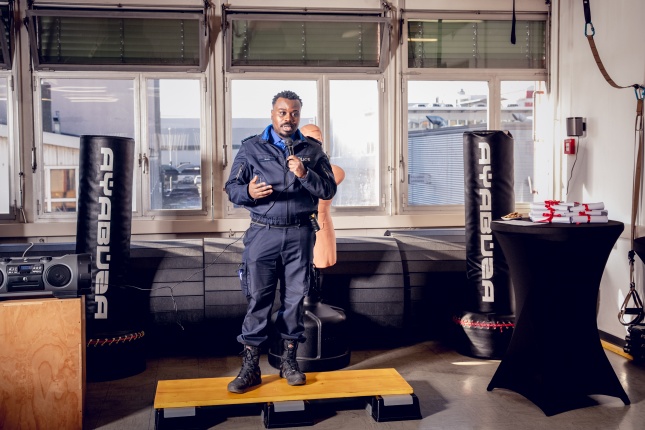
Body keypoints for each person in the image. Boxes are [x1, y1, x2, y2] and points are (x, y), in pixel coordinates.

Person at [224, 91, 337, 393]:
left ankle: (289, 361)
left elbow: (327, 189)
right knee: (258, 299)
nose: (289, 118)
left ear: (300, 115)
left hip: (300, 234)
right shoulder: (251, 148)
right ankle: (250, 368)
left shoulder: (312, 150)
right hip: (263, 233)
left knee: (293, 300)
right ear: (273, 114)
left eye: (295, 113)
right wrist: (248, 192)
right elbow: (231, 188)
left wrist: (304, 172)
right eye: (283, 112)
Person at [300, 124, 346, 269]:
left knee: (319, 268)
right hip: (295, 228)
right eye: (309, 139)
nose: (313, 143)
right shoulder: (291, 169)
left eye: (317, 139)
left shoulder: (334, 172)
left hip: (320, 227)